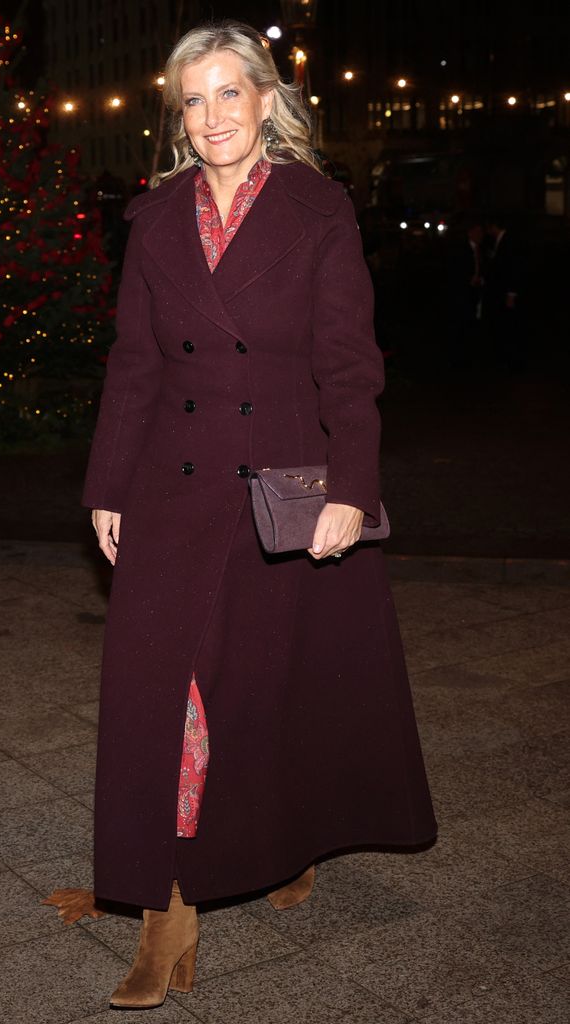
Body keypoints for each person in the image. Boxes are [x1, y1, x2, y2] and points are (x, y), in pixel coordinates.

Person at [82, 20, 437, 1011]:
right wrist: (107, 485)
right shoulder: (153, 220)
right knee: (163, 693)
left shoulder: (318, 210)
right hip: (171, 485)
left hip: (282, 486)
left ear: (268, 99)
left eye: (228, 93)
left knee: (269, 689)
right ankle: (166, 909)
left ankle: (283, 839)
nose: (210, 117)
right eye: (191, 100)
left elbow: (349, 367)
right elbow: (135, 366)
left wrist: (351, 491)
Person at [482, 212, 526, 371]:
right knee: (507, 325)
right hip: (503, 291)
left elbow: (514, 268)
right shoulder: (502, 242)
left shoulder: (508, 242)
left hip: (507, 292)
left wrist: (511, 293)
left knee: (510, 326)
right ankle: (508, 358)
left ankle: (512, 360)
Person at [445, 213, 484, 369]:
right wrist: (469, 280)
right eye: (478, 232)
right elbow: (456, 272)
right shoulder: (461, 249)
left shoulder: (479, 249)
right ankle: (457, 359)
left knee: (469, 327)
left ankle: (466, 357)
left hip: (473, 295)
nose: (480, 236)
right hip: (461, 296)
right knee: (459, 327)